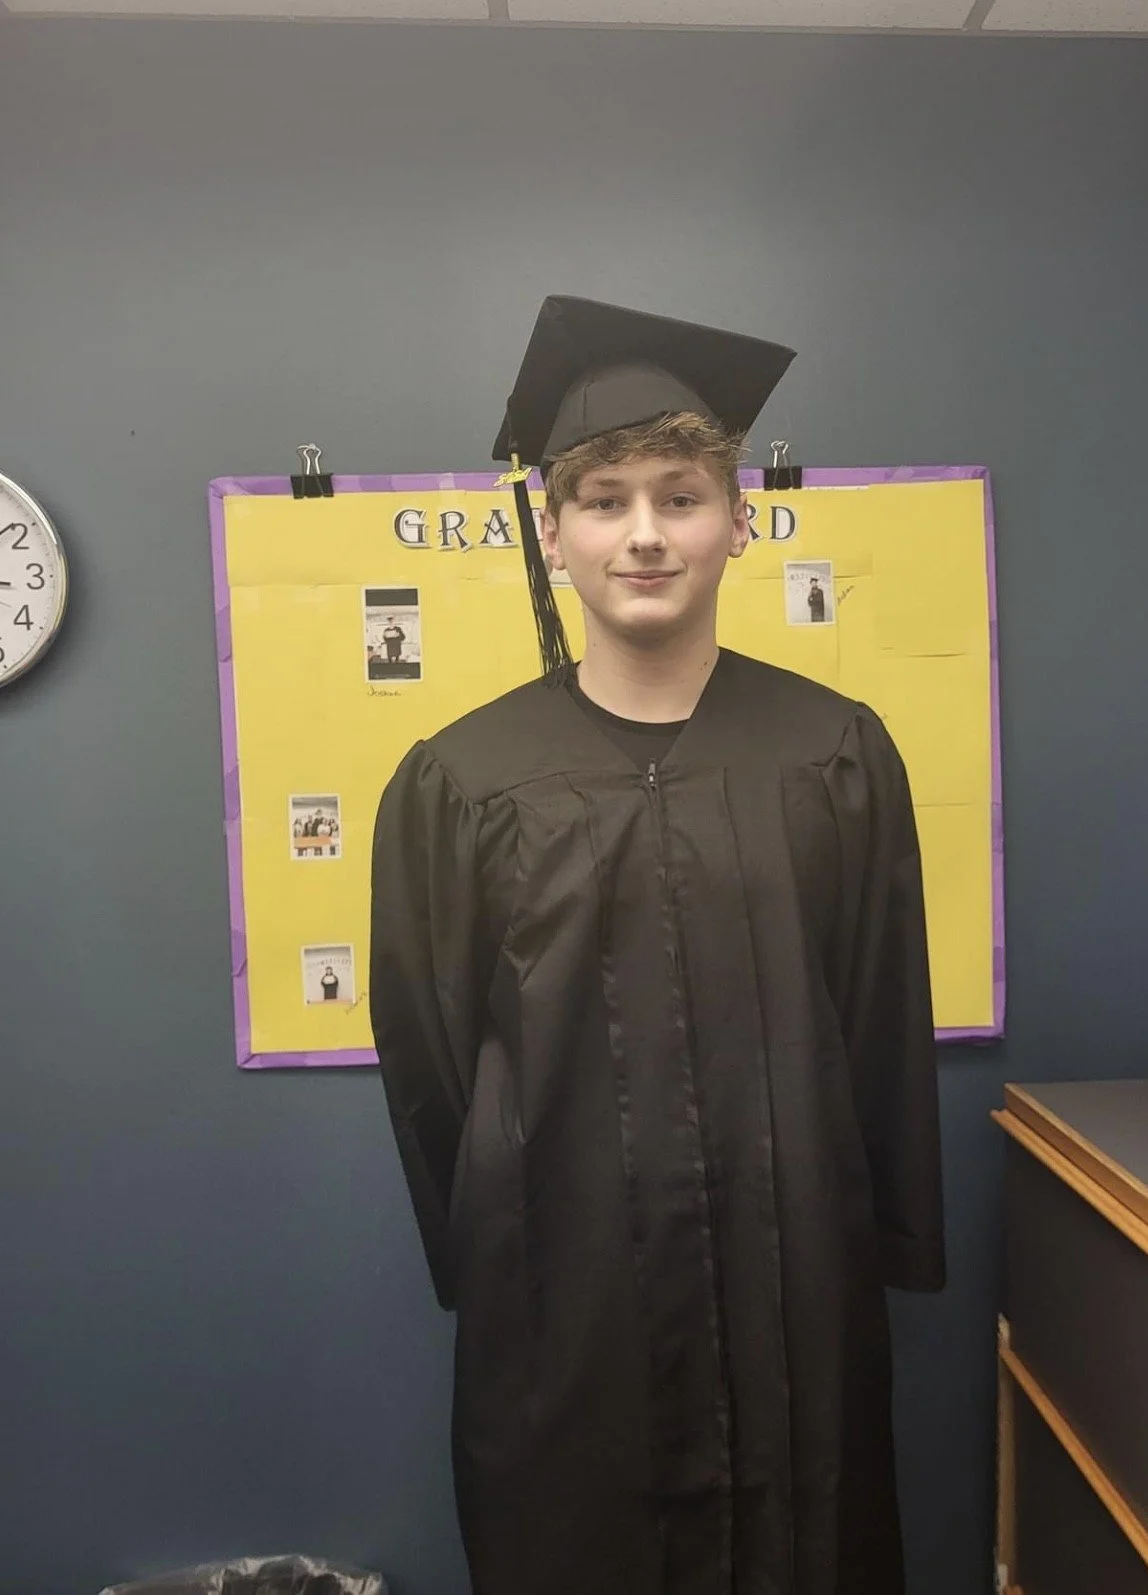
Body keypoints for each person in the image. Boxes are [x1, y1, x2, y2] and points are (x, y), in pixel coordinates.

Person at [370, 296, 944, 1595]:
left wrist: (879, 1233)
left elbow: (875, 1014)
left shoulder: (835, 752)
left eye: (680, 495)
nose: (643, 531)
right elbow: (433, 1062)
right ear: (555, 533)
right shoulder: (461, 781)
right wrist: (499, 1233)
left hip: (798, 1282)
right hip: (561, 1307)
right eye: (606, 497)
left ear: (740, 522)